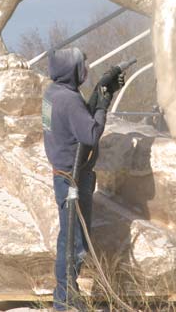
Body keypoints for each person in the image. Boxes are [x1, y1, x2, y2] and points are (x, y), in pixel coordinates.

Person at [42, 47, 124, 311]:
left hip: (63, 176)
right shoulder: (68, 100)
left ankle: (66, 295)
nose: (86, 71)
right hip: (73, 179)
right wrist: (101, 108)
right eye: (82, 66)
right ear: (72, 70)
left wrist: (103, 95)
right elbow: (89, 134)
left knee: (69, 237)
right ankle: (65, 301)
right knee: (75, 241)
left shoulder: (53, 95)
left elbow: (73, 123)